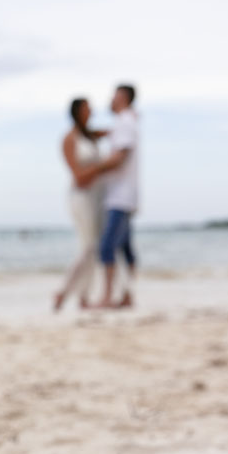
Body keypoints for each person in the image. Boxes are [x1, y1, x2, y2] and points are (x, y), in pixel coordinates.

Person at [54, 98, 106, 311]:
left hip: (96, 197)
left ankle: (83, 296)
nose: (92, 110)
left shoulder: (90, 135)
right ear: (77, 112)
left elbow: (113, 133)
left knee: (93, 248)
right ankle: (64, 291)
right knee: (89, 246)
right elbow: (78, 176)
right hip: (81, 197)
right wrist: (105, 166)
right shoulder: (69, 139)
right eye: (87, 108)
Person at [95, 84, 140, 308]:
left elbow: (120, 157)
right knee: (125, 248)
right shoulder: (127, 121)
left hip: (120, 196)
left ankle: (108, 296)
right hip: (125, 194)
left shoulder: (125, 122)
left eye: (114, 96)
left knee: (107, 247)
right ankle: (127, 294)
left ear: (123, 98)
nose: (110, 100)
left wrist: (91, 171)